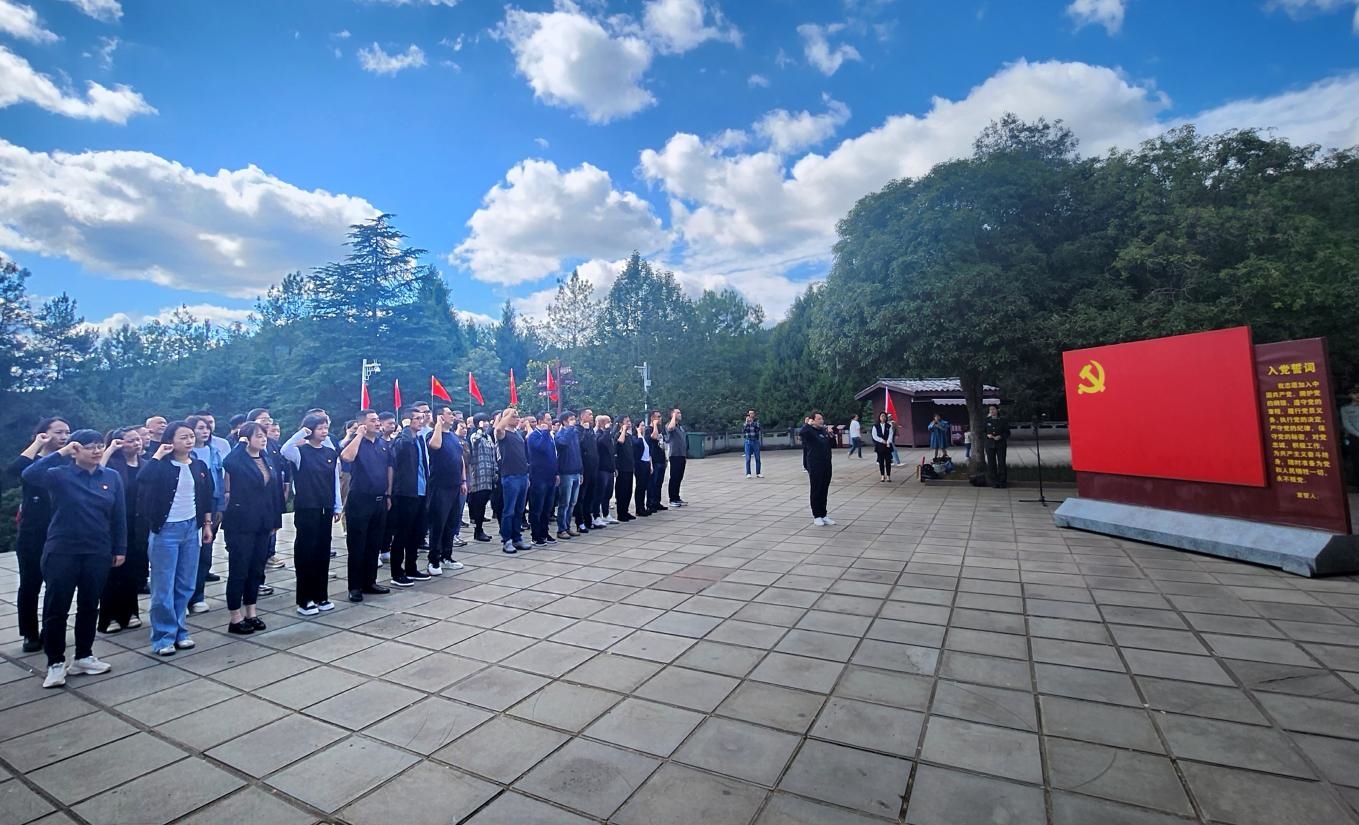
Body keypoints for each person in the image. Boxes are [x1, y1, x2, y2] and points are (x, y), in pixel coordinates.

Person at [21, 429, 126, 688]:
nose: (97, 451)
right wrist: (62, 452)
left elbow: (118, 516)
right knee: (57, 608)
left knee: (90, 605)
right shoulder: (58, 475)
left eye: (99, 445)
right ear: (76, 450)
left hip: (97, 550)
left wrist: (120, 548)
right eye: (89, 446)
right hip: (63, 551)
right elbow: (29, 474)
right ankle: (55, 662)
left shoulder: (111, 476)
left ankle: (84, 656)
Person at [138, 421, 214, 656]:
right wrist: (158, 455)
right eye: (183, 437)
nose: (189, 441)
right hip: (166, 530)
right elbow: (143, 478)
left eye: (191, 436)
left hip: (191, 528)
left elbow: (206, 496)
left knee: (185, 583)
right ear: (170, 441)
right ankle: (163, 636)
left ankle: (180, 630)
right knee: (163, 586)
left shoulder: (199, 465)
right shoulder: (161, 466)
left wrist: (207, 525)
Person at [9, 416, 71, 652]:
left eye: (67, 432)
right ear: (44, 433)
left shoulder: (67, 461)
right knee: (30, 583)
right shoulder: (33, 460)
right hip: (33, 531)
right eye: (58, 432)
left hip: (60, 530)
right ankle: (29, 633)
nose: (64, 436)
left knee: (57, 584)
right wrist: (37, 443)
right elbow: (15, 471)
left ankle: (50, 629)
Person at [221, 423, 284, 634]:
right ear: (246, 439)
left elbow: (274, 492)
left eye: (264, 435)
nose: (263, 439)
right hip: (241, 523)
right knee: (239, 570)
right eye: (258, 436)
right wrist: (241, 443)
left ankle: (251, 612)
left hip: (263, 523)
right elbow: (228, 463)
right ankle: (235, 617)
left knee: (256, 570)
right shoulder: (238, 460)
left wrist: (275, 521)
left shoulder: (266, 459)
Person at [281, 413, 342, 616]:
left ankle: (321, 596)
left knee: (322, 553)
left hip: (326, 507)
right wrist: (302, 432)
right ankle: (304, 599)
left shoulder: (330, 452)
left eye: (326, 427)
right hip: (307, 508)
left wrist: (337, 506)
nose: (324, 431)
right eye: (320, 428)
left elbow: (335, 480)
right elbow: (284, 450)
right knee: (306, 553)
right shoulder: (300, 452)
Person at [339, 410, 392, 602]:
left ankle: (370, 582)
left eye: (378, 420)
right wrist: (359, 435)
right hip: (360, 500)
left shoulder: (383, 444)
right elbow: (346, 457)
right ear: (362, 424)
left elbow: (389, 469)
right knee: (357, 545)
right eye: (373, 420)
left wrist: (388, 494)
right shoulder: (356, 442)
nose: (377, 423)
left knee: (373, 544)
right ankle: (355, 587)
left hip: (380, 499)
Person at [98, 428, 146, 634]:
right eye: (131, 440)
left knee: (133, 570)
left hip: (138, 524)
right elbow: (97, 473)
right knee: (113, 571)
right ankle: (109, 617)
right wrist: (109, 450)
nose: (137, 443)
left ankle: (131, 612)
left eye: (138, 439)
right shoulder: (112, 465)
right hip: (115, 523)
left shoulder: (145, 464)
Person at [186, 415, 225, 615]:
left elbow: (220, 480)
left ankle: (198, 597)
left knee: (205, 552)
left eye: (207, 428)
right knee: (188, 555)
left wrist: (220, 506)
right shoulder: (185, 453)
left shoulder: (214, 451)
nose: (205, 431)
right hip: (190, 505)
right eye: (200, 428)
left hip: (212, 502)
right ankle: (183, 598)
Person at [388, 407, 432, 587]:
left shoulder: (419, 439)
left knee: (416, 533)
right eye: (417, 418)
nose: (421, 421)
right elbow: (400, 452)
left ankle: (411, 568)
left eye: (422, 418)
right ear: (407, 421)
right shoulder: (401, 440)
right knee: (402, 534)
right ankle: (396, 572)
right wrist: (406, 428)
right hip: (405, 493)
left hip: (420, 491)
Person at [424, 406, 469, 574]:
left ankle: (447, 556)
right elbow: (435, 446)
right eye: (449, 414)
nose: (453, 416)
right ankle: (433, 560)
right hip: (439, 486)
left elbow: (460, 459)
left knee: (451, 523)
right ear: (440, 417)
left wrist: (463, 480)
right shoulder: (433, 435)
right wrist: (438, 425)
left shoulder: (453, 437)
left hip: (455, 485)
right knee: (438, 524)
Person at [495, 408, 530, 554]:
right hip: (510, 476)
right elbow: (498, 429)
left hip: (522, 475)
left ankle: (517, 538)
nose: (517, 418)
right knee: (508, 510)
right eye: (513, 416)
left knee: (519, 510)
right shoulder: (503, 433)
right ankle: (507, 540)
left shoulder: (517, 434)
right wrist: (507, 414)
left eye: (517, 416)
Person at [527, 412, 559, 546]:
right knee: (537, 508)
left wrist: (556, 473)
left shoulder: (549, 436)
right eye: (548, 420)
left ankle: (545, 532)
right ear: (541, 422)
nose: (551, 422)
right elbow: (542, 448)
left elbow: (553, 455)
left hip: (550, 476)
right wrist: (545, 432)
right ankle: (536, 535)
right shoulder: (534, 436)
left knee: (547, 508)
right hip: (538, 477)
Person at [800, 412, 836, 526]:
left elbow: (833, 445)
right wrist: (808, 424)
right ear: (813, 420)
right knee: (816, 489)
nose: (821, 420)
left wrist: (831, 435)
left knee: (824, 490)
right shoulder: (809, 431)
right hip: (815, 465)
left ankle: (824, 514)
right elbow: (802, 433)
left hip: (826, 464)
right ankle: (817, 515)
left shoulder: (823, 431)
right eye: (819, 419)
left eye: (822, 418)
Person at [466, 414, 497, 542]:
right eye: (483, 421)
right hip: (479, 475)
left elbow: (493, 454)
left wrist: (495, 470)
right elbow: (475, 442)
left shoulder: (488, 437)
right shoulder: (474, 435)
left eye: (487, 421)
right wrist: (479, 429)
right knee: (479, 503)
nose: (486, 423)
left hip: (489, 475)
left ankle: (480, 529)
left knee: (483, 503)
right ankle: (478, 530)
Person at [554, 411, 583, 539]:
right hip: (566, 473)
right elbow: (562, 444)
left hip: (576, 471)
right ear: (564, 421)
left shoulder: (574, 434)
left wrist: (581, 471)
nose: (574, 422)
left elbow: (578, 453)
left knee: (572, 502)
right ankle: (561, 529)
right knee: (564, 503)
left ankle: (567, 526)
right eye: (571, 419)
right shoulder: (560, 434)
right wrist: (569, 429)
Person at [575, 409, 598, 534]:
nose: (592, 416)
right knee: (581, 496)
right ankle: (580, 522)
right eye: (590, 414)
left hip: (593, 467)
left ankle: (588, 519)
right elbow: (581, 444)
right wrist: (584, 430)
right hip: (584, 467)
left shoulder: (590, 430)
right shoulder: (578, 430)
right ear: (582, 416)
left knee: (590, 495)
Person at [594, 414, 617, 526]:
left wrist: (614, 467)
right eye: (608, 422)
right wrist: (607, 430)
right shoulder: (598, 434)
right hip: (601, 468)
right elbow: (601, 442)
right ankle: (596, 515)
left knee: (608, 493)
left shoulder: (608, 435)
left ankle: (606, 514)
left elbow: (612, 451)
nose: (610, 424)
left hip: (609, 468)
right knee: (600, 493)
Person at [614, 415, 636, 521]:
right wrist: (623, 430)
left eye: (629, 421)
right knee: (621, 491)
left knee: (628, 491)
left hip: (629, 467)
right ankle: (621, 513)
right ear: (620, 424)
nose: (629, 423)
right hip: (621, 468)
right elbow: (620, 442)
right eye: (627, 422)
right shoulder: (618, 435)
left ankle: (626, 511)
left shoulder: (629, 436)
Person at [984, 405, 1011, 489]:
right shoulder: (986, 420)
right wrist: (987, 435)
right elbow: (982, 432)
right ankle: (994, 481)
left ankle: (1002, 481)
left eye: (993, 409)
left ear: (997, 410)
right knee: (991, 463)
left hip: (1000, 444)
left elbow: (1007, 433)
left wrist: (1001, 436)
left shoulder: (1003, 420)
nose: (991, 411)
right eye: (990, 410)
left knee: (1001, 462)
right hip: (989, 444)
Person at [665, 408, 688, 507]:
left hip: (682, 455)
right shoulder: (670, 425)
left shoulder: (679, 427)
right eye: (677, 413)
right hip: (675, 455)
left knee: (679, 477)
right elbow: (670, 428)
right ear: (672, 415)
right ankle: (672, 499)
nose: (680, 414)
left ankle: (677, 497)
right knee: (674, 477)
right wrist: (673, 417)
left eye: (679, 413)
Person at [646, 411, 667, 512]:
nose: (660, 419)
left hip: (661, 458)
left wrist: (665, 458)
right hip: (654, 460)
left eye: (660, 417)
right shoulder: (648, 429)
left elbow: (662, 443)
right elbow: (654, 437)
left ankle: (657, 502)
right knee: (652, 483)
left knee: (659, 482)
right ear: (652, 418)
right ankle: (650, 503)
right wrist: (654, 425)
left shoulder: (660, 429)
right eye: (658, 417)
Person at [633, 420, 653, 517]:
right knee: (640, 487)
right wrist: (639, 433)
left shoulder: (643, 438)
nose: (643, 427)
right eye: (641, 425)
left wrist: (650, 464)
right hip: (640, 464)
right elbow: (639, 444)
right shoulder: (636, 438)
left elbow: (648, 452)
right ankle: (639, 508)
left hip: (646, 463)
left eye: (644, 426)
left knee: (644, 486)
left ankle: (643, 507)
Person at [872, 412, 895, 482]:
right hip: (879, 446)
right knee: (881, 461)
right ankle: (882, 475)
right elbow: (874, 436)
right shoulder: (875, 426)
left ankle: (888, 476)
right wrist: (882, 441)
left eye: (884, 416)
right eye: (882, 416)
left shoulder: (889, 426)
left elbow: (891, 435)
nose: (883, 418)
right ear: (879, 417)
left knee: (888, 461)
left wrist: (888, 442)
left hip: (887, 445)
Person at [1344, 387, 1359, 489]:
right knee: (1357, 461)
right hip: (1355, 438)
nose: (1357, 395)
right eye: (1354, 393)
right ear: (1349, 395)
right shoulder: (1345, 409)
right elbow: (1347, 425)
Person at [743, 409, 763, 478]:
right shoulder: (746, 422)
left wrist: (752, 423)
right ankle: (748, 473)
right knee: (748, 458)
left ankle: (758, 473)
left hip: (755, 441)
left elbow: (758, 429)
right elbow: (744, 431)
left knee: (757, 458)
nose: (751, 415)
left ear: (754, 414)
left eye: (752, 413)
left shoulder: (756, 421)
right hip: (748, 442)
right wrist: (747, 423)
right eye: (749, 413)